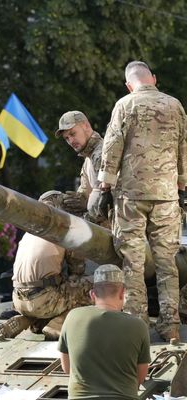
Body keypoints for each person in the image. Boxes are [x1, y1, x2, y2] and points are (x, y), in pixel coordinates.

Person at [98, 60, 187, 341]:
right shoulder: (175, 106)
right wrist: (183, 186)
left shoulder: (125, 105)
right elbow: (184, 146)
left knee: (133, 263)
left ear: (129, 84)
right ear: (154, 79)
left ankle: (137, 325)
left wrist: (104, 186)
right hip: (166, 196)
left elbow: (112, 146)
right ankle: (170, 324)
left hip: (131, 195)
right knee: (167, 261)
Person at [0, 191, 92, 340]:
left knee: (56, 295)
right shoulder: (63, 229)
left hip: (18, 299)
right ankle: (58, 324)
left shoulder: (29, 231)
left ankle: (28, 320)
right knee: (91, 288)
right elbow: (77, 269)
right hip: (45, 299)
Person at [58, 264, 150, 399]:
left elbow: (67, 368)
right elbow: (140, 377)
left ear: (92, 294)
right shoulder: (138, 326)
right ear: (122, 293)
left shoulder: (72, 317)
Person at [55, 111, 109, 224]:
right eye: (66, 138)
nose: (71, 141)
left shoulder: (101, 154)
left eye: (73, 134)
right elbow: (84, 195)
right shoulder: (89, 158)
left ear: (86, 126)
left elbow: (107, 200)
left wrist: (80, 222)